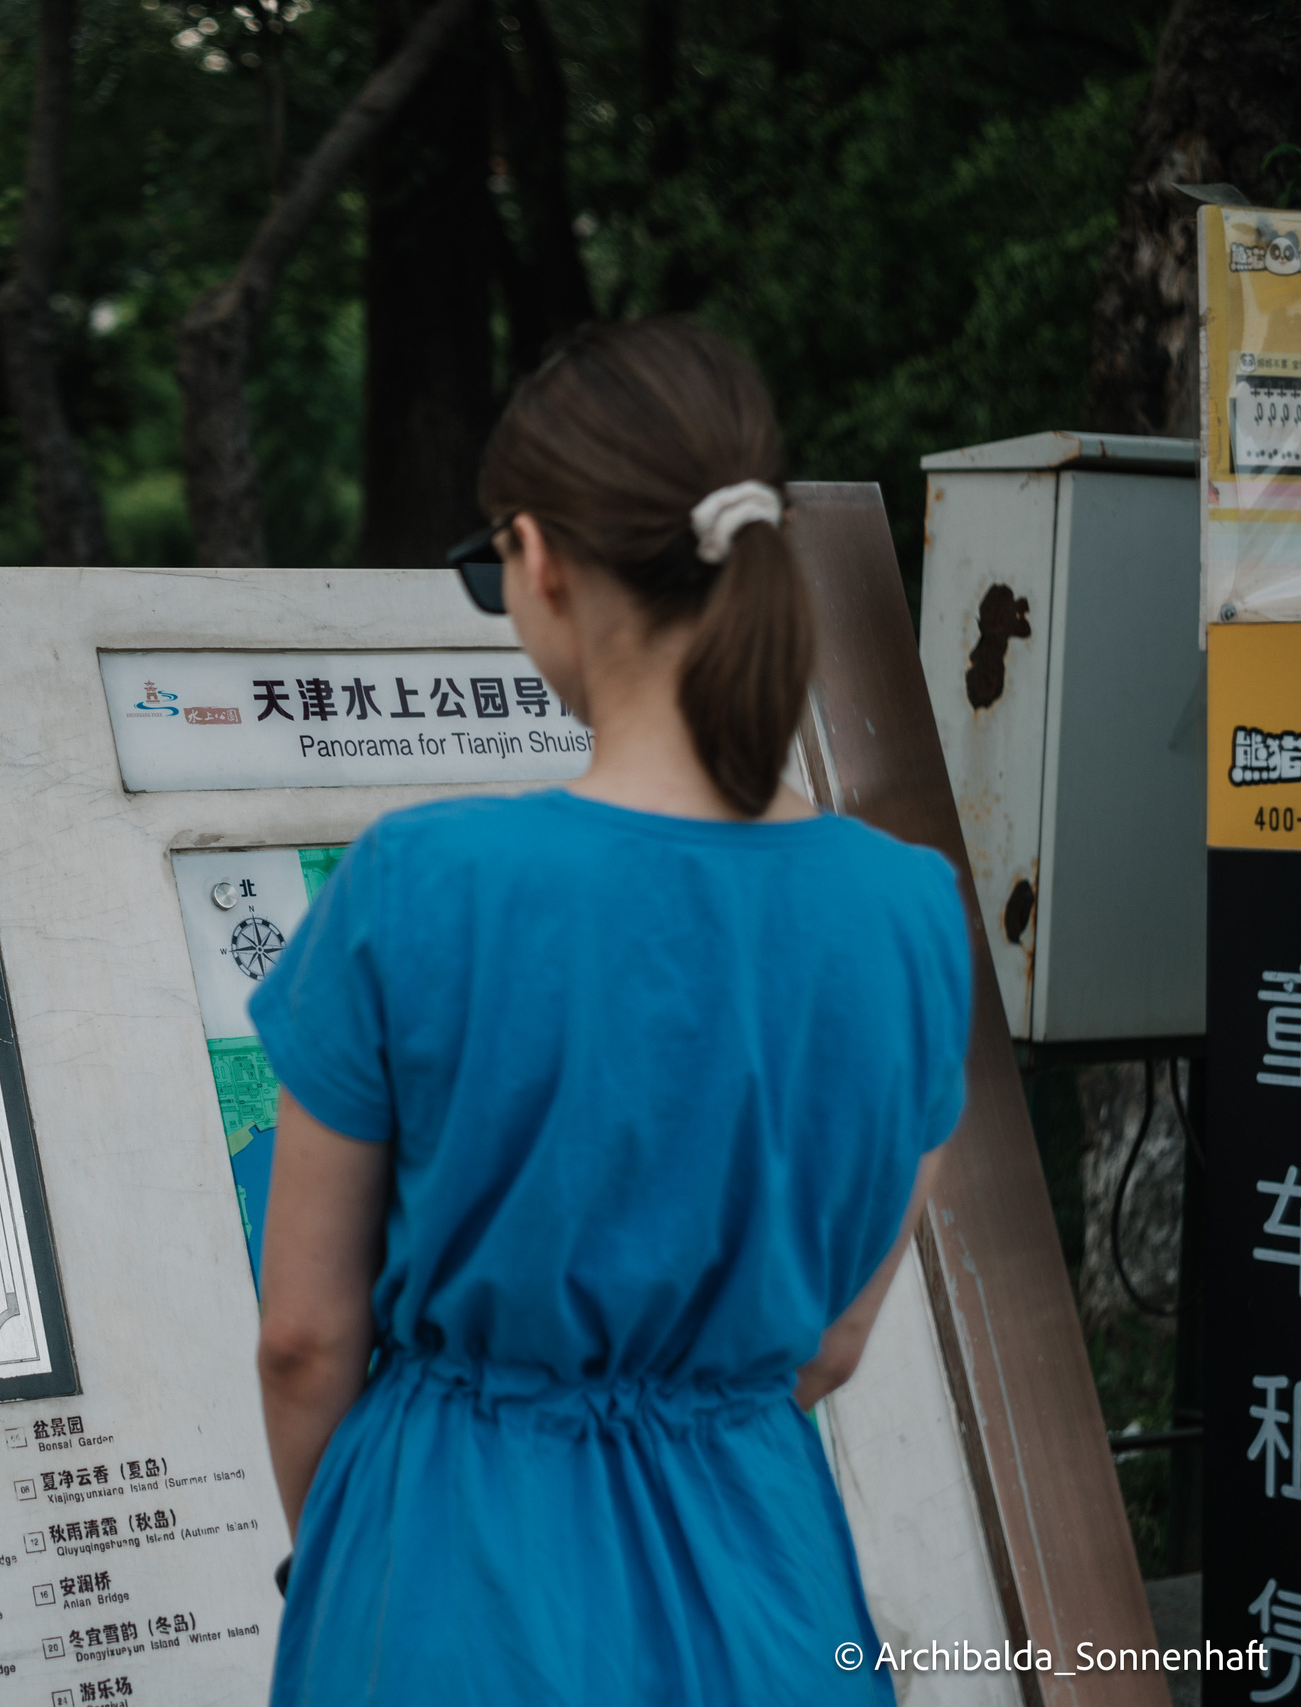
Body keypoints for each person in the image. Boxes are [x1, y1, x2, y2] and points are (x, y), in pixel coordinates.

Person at [249, 318, 970, 1702]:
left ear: (537, 559)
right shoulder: (909, 911)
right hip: (765, 1579)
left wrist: (344, 1559)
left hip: (451, 1577)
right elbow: (828, 1342)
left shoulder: (421, 881)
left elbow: (304, 1341)